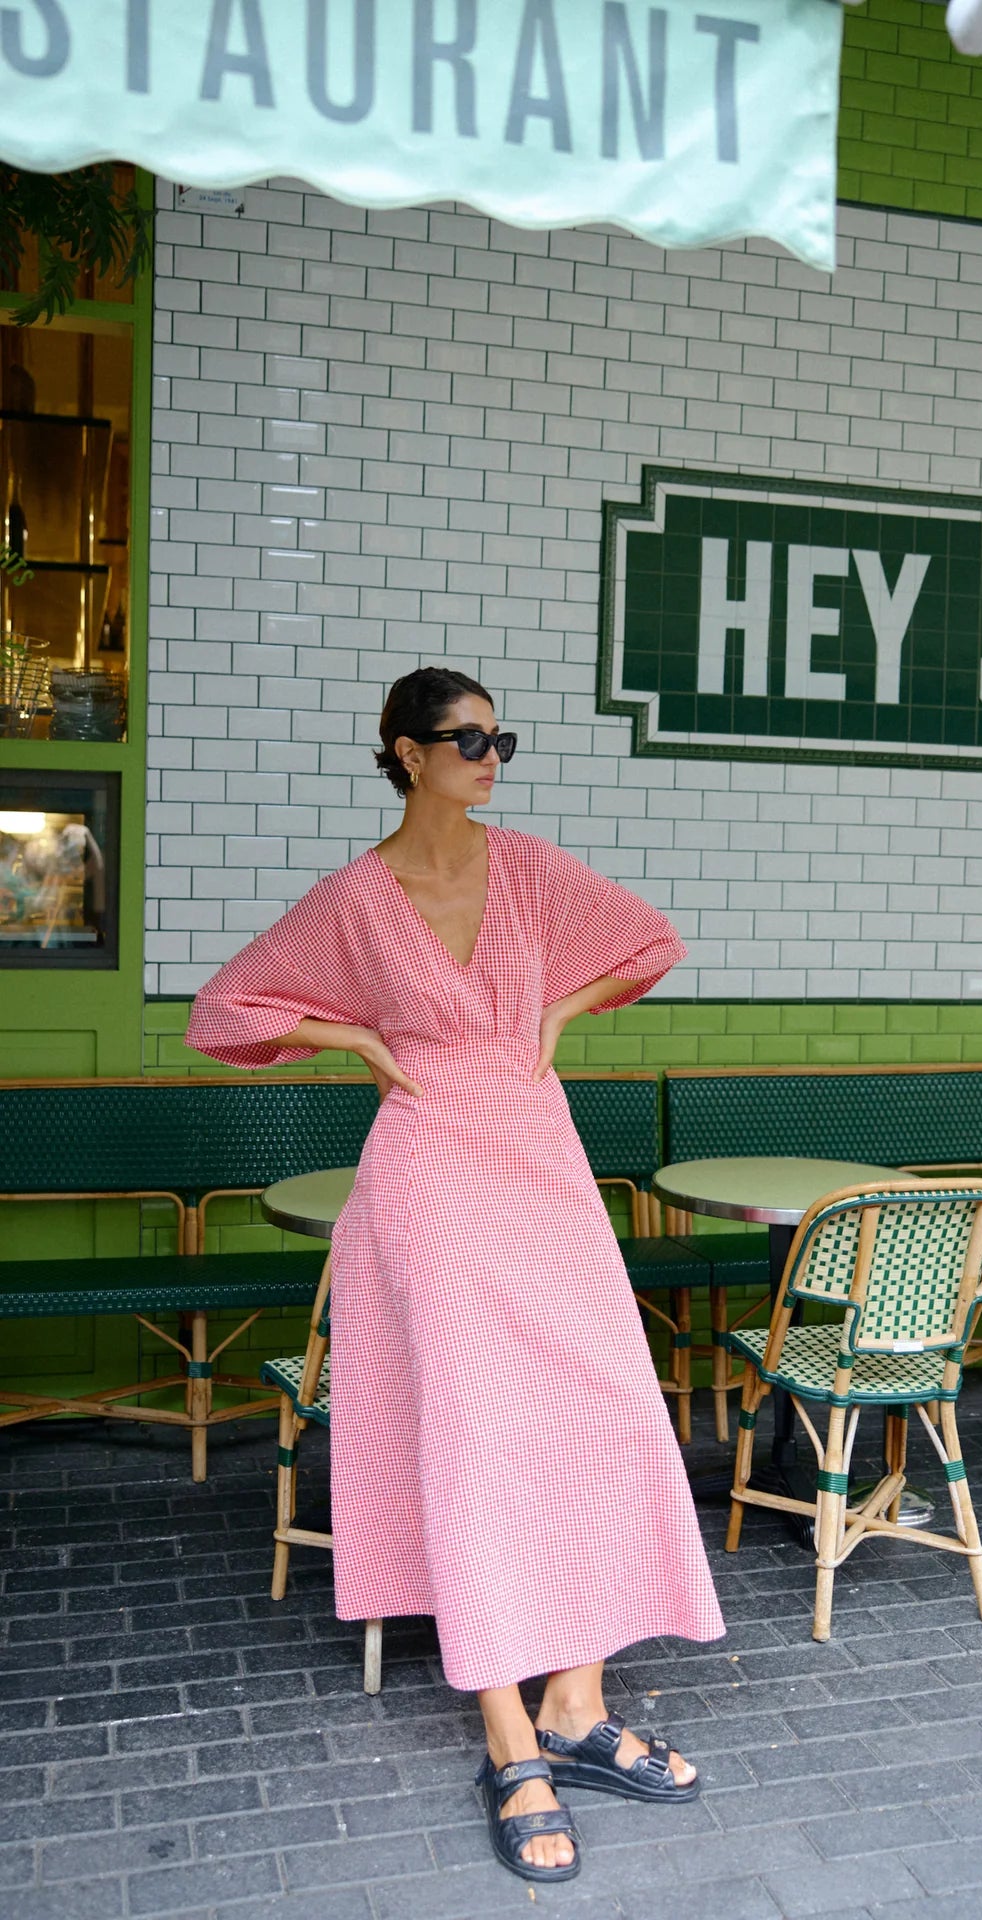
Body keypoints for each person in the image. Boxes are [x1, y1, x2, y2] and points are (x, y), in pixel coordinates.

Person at [186, 666, 725, 1883]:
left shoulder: (527, 868)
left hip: (540, 1157)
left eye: (500, 740)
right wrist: (353, 1033)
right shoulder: (355, 899)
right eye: (470, 740)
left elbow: (651, 942)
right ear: (407, 754)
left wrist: (558, 1016)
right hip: (428, 1173)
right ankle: (509, 1741)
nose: (491, 759)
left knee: (608, 1410)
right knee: (472, 1433)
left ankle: (577, 1704)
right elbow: (224, 1014)